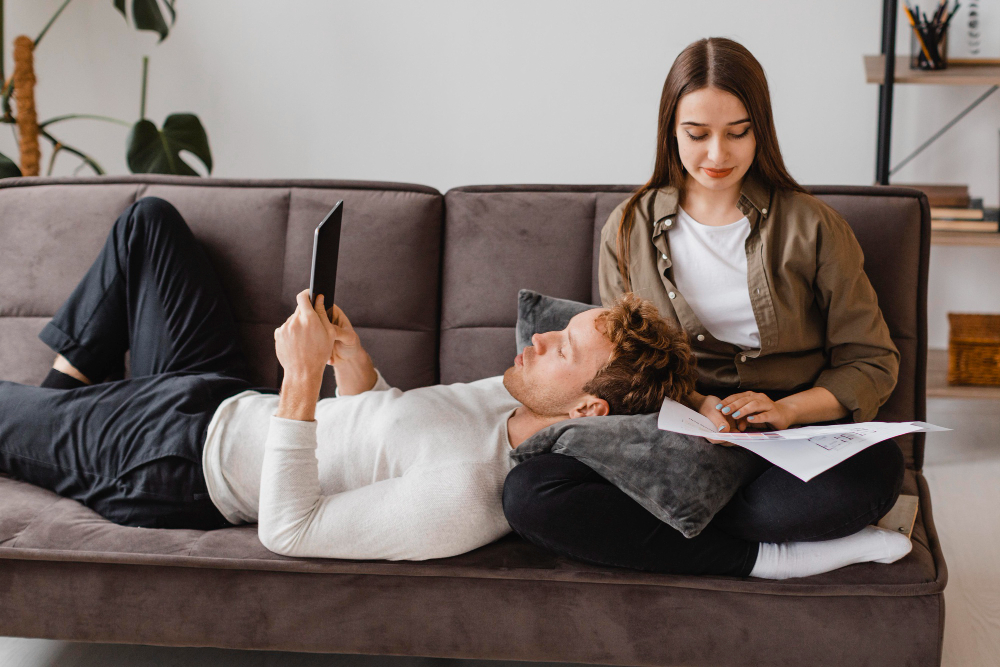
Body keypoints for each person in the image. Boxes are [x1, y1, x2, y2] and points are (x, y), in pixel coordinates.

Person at [0, 196, 693, 560]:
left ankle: (51, 424)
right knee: (150, 225)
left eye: (563, 348)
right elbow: (381, 434)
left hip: (173, 459)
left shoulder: (465, 496)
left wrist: (301, 380)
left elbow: (289, 529)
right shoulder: (512, 396)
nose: (539, 338)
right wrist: (350, 362)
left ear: (590, 410)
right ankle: (58, 414)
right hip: (218, 393)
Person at [502, 37, 910, 579]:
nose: (717, 155)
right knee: (532, 492)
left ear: (759, 128)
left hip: (788, 432)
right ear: (671, 130)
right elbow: (618, 368)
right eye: (697, 134)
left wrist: (787, 411)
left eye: (737, 133)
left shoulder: (814, 228)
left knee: (871, 474)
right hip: (670, 430)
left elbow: (871, 361)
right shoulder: (629, 228)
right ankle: (764, 558)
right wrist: (698, 403)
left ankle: (689, 528)